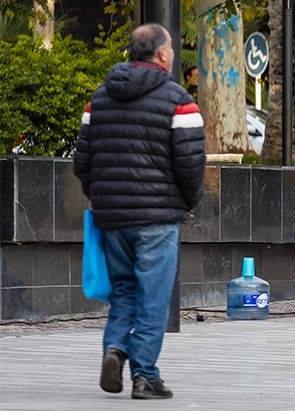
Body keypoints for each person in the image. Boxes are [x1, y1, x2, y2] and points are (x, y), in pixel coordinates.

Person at [74, 23, 206, 400]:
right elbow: (191, 164)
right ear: (162, 54)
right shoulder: (178, 100)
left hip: (111, 218)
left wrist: (102, 198)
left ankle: (115, 348)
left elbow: (82, 162)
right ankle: (145, 376)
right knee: (153, 297)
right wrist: (186, 202)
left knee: (125, 292)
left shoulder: (98, 100)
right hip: (158, 218)